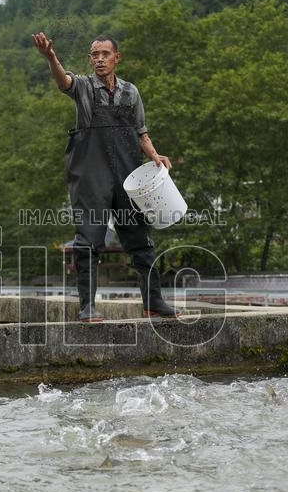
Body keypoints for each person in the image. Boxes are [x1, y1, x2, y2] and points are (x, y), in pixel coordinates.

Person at [31, 31, 180, 322]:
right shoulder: (84, 87)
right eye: (94, 55)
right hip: (91, 178)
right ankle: (87, 307)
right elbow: (64, 81)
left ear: (116, 58)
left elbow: (141, 131)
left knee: (141, 241)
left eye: (105, 54)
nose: (99, 60)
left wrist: (155, 155)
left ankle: (153, 302)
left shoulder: (130, 92)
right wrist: (50, 56)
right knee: (87, 241)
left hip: (127, 177)